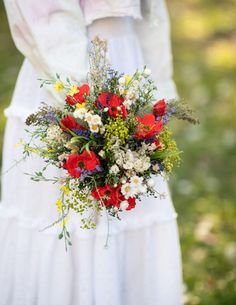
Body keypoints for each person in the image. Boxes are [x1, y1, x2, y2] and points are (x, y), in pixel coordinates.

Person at [0, 1, 183, 304]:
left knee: (131, 211)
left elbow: (151, 13)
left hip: (130, 64)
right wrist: (84, 100)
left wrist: (156, 86)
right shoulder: (74, 80)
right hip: (66, 64)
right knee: (71, 219)